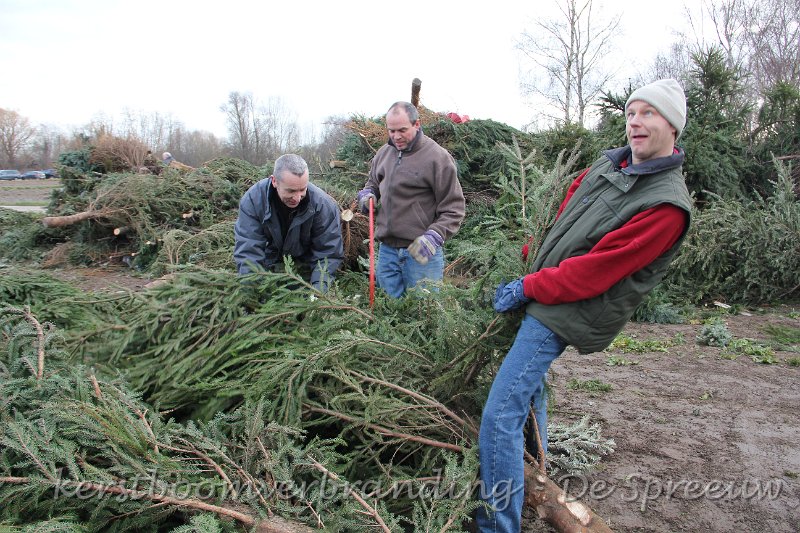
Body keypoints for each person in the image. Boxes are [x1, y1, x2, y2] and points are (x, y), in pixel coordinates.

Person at [477, 79, 693, 532]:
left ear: (672, 125)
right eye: (631, 112)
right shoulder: (610, 164)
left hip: (565, 307)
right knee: (528, 393)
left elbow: (598, 270)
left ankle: (499, 525)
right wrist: (531, 256)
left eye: (648, 113)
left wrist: (530, 285)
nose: (635, 121)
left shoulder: (667, 205)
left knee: (500, 413)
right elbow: (566, 216)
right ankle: (534, 478)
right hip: (548, 288)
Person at [356, 101, 465, 298]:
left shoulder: (437, 158)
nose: (396, 136)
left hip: (421, 253)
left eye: (402, 130)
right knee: (390, 314)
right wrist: (367, 195)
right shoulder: (383, 154)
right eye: (391, 131)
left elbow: (454, 208)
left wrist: (434, 236)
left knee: (423, 315)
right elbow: (372, 183)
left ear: (417, 124)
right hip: (387, 251)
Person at [234, 153, 344, 292]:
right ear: (274, 181)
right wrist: (251, 293)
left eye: (302, 189)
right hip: (269, 262)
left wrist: (318, 294)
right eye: (291, 191)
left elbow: (328, 254)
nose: (297, 198)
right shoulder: (253, 200)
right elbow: (249, 251)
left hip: (305, 265)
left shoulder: (323, 205)